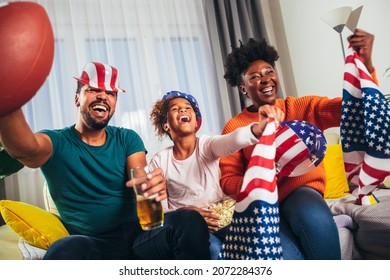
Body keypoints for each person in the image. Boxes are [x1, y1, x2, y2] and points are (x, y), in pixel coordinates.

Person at [0, 62, 211, 260]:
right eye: (93, 89)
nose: (103, 96)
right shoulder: (56, 142)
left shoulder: (127, 138)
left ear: (115, 103)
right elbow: (26, 149)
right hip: (94, 244)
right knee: (61, 251)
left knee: (188, 220)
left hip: (140, 237)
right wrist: (7, 94)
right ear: (77, 99)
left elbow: (139, 177)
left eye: (110, 93)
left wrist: (149, 187)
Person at [219, 28, 376, 260]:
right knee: (283, 256)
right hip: (263, 206)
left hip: (301, 194)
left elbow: (352, 110)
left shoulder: (299, 107)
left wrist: (366, 66)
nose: (264, 78)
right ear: (243, 87)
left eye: (269, 71)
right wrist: (262, 178)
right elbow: (228, 181)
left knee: (313, 221)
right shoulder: (235, 128)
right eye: (253, 76)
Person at [149, 90, 284, 259]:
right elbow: (160, 211)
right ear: (166, 125)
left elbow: (231, 140)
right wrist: (187, 212)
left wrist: (257, 130)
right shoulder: (160, 161)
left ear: (196, 122)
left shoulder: (206, 145)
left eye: (188, 107)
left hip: (222, 221)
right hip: (191, 230)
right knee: (213, 250)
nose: (183, 110)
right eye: (175, 109)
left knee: (251, 245)